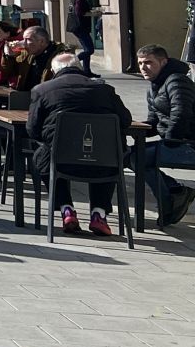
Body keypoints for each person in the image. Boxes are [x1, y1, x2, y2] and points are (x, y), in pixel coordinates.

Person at [27, 51, 132, 236]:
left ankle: (66, 208)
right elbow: (125, 121)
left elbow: (33, 130)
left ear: (53, 71)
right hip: (104, 162)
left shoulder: (42, 90)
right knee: (107, 153)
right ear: (80, 68)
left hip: (61, 160)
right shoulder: (104, 90)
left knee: (41, 157)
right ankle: (99, 214)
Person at [132, 44, 195, 227]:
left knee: (134, 157)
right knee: (129, 156)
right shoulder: (155, 86)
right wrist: (133, 129)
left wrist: (171, 140)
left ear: (163, 62)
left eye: (148, 62)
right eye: (140, 63)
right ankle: (174, 192)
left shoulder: (177, 81)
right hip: (178, 142)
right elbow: (154, 121)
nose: (143, 67)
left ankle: (171, 198)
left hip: (194, 147)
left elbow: (181, 113)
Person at [0, 21, 42, 91]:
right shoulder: (2, 45)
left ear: (7, 33)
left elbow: (7, 71)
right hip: (8, 85)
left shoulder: (13, 46)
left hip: (14, 87)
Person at [67, 0, 96, 66]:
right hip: (80, 27)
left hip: (77, 27)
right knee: (90, 50)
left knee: (86, 49)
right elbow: (79, 13)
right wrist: (94, 14)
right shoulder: (79, 0)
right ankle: (71, 62)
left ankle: (87, 71)